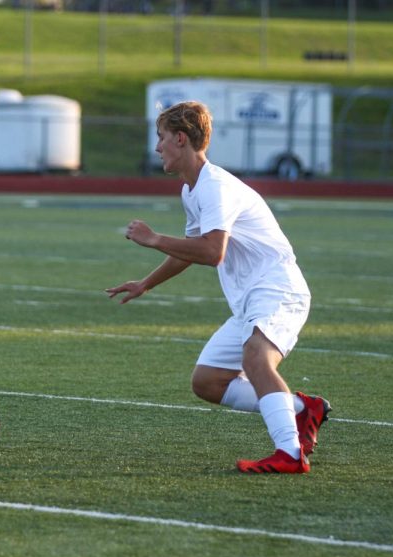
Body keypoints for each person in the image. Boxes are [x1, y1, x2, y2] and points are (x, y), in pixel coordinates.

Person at [106, 101, 330, 474]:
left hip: (278, 289)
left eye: (161, 138)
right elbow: (191, 250)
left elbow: (212, 252)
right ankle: (303, 409)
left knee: (256, 358)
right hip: (251, 300)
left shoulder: (215, 187)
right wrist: (147, 283)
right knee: (208, 381)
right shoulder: (191, 189)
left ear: (181, 138)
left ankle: (289, 452)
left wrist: (155, 238)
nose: (157, 147)